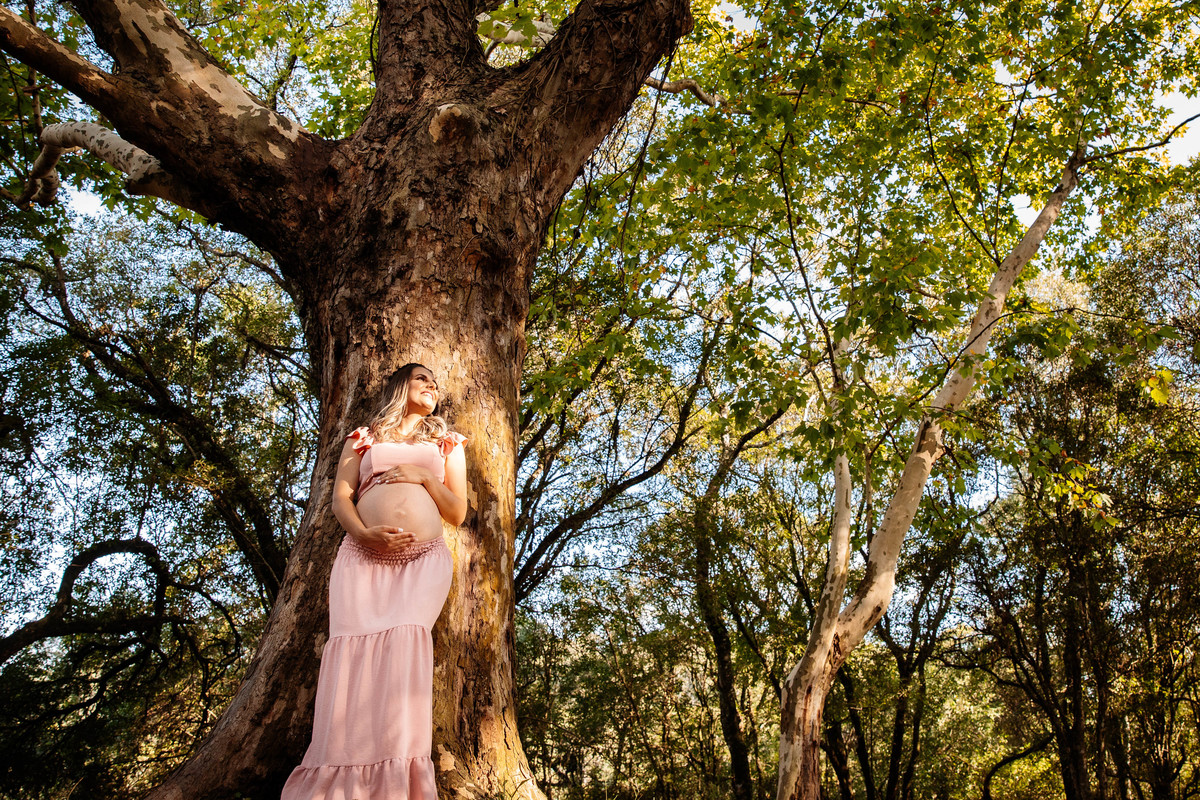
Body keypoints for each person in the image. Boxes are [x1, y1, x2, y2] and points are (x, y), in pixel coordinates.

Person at [281, 363, 467, 800]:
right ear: (401, 385)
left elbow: (458, 512)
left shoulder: (447, 443)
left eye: (435, 383)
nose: (432, 386)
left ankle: (396, 782)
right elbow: (340, 498)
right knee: (350, 656)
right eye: (422, 378)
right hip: (361, 558)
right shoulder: (363, 438)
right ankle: (339, 781)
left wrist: (424, 477)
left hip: (422, 562)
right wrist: (363, 533)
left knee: (404, 649)